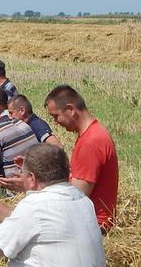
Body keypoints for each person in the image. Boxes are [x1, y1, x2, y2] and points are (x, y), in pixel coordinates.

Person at [44, 85, 118, 232]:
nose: (55, 122)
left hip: (93, 225)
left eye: (55, 116)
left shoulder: (91, 142)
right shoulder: (93, 133)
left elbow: (76, 196)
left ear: (70, 110)